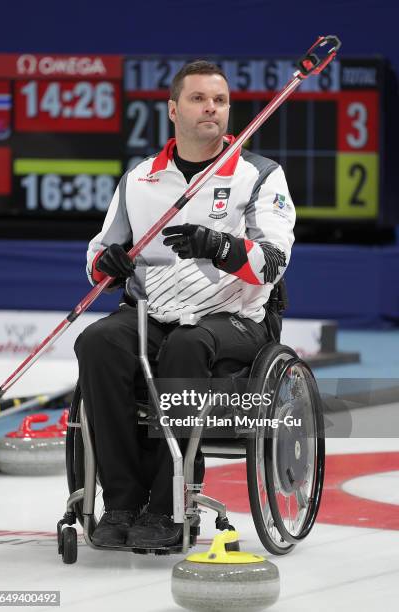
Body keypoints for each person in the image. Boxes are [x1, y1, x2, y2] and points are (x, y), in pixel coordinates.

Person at [74, 60, 296, 549]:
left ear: (229, 110)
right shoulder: (141, 179)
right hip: (155, 312)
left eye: (219, 100)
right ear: (174, 110)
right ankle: (121, 504)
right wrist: (108, 262)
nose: (210, 108)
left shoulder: (259, 174)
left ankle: (168, 505)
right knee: (98, 341)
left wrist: (220, 246)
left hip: (235, 320)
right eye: (198, 99)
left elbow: (274, 262)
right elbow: (97, 258)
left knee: (186, 346)